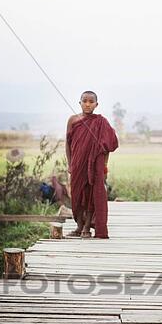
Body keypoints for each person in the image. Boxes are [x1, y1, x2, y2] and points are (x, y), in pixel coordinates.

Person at [65, 91, 118, 238]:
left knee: (90, 196)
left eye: (91, 101)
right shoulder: (73, 120)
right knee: (76, 196)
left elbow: (110, 144)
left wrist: (104, 165)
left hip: (94, 167)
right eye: (85, 101)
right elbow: (68, 144)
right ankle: (78, 227)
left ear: (96, 104)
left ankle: (87, 228)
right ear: (80, 102)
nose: (88, 104)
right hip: (77, 165)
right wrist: (70, 164)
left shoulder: (101, 122)